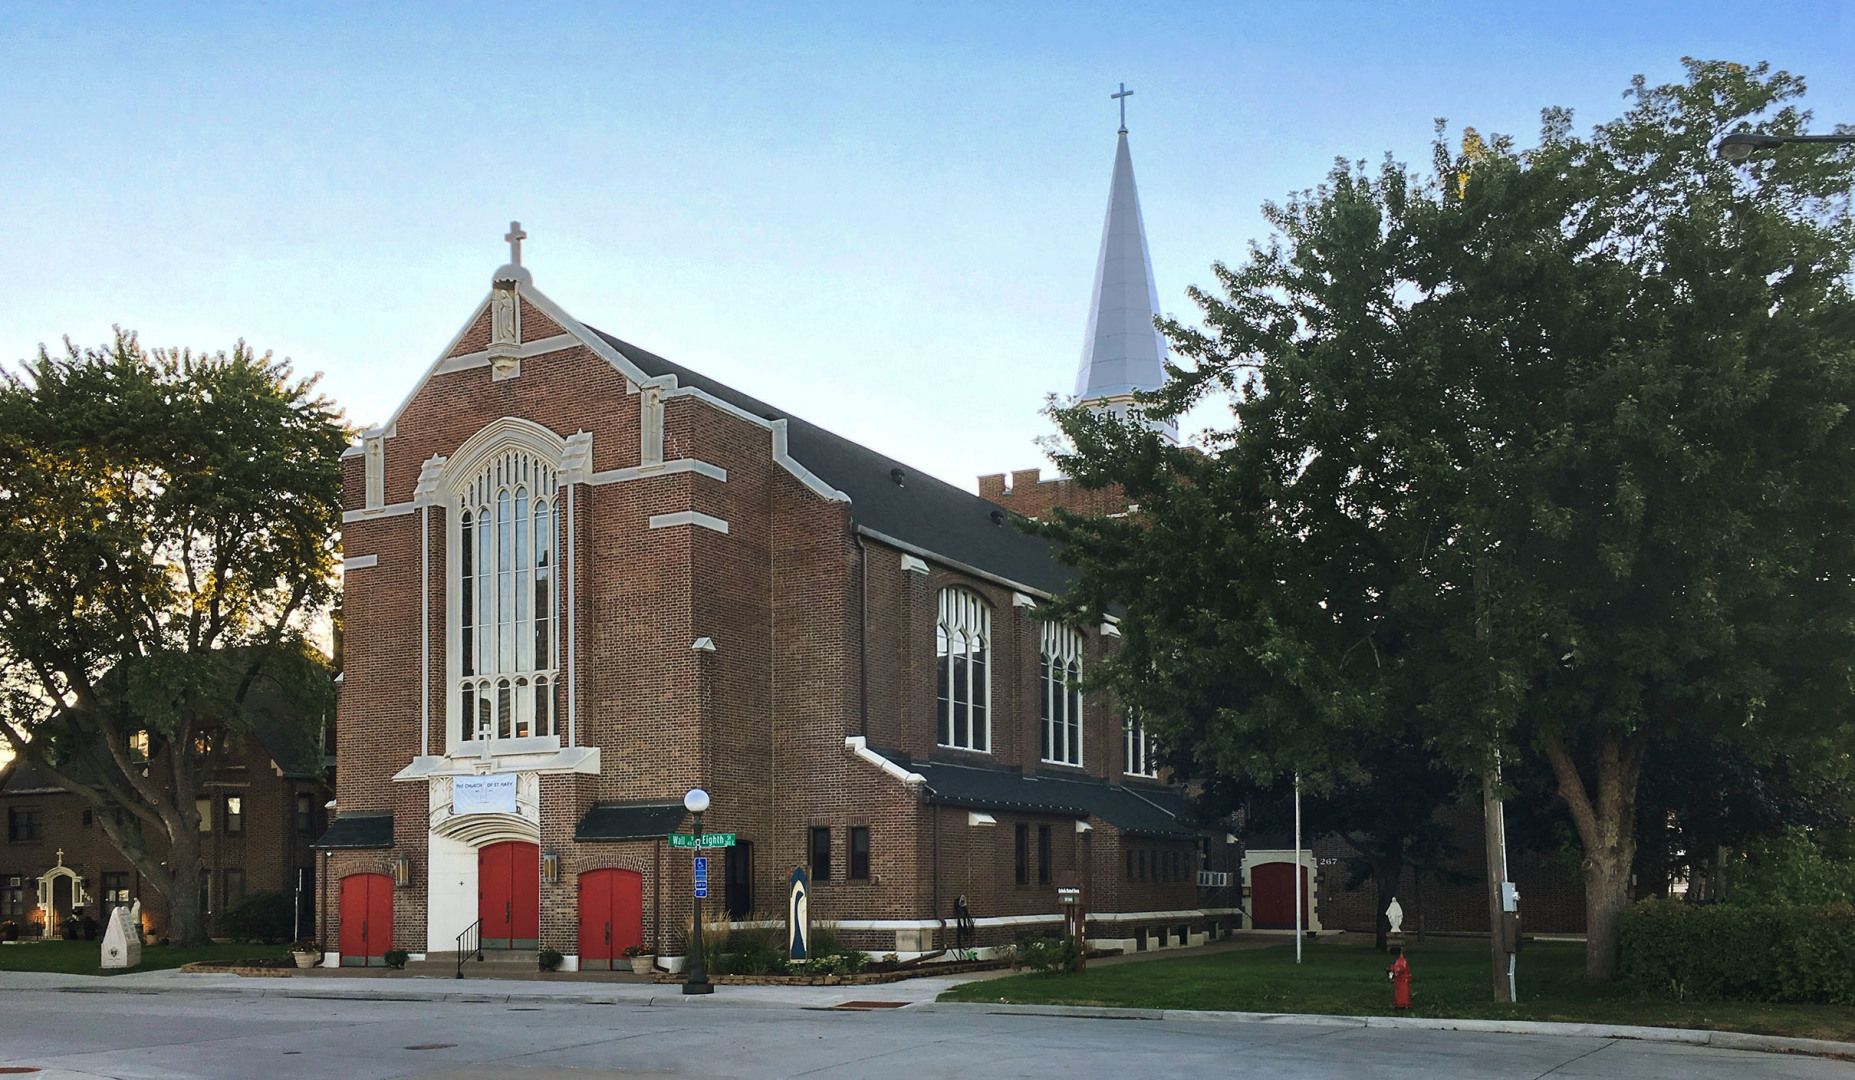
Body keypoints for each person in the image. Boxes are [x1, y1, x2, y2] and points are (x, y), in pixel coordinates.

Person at [1388, 946, 1412, 1010]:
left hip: (1402, 980)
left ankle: (1403, 1004)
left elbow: (1400, 969)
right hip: (1401, 980)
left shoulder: (1401, 961)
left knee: (1402, 992)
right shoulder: (1401, 961)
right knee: (1399, 992)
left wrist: (1393, 970)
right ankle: (1400, 1003)